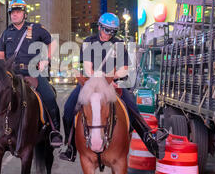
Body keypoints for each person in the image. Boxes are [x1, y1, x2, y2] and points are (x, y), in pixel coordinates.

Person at [59, 12, 160, 162]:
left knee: (131, 105)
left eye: (113, 31)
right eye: (106, 30)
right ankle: (70, 147)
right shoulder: (88, 42)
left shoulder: (119, 44)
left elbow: (124, 68)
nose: (109, 34)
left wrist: (112, 77)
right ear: (99, 27)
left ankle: (148, 137)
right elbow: (87, 68)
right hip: (91, 82)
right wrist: (102, 79)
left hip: (113, 82)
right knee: (68, 108)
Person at [0, 0, 63, 147]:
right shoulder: (5, 34)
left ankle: (55, 131)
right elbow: (0, 56)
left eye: (18, 12)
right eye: (12, 12)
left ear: (24, 14)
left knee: (48, 95)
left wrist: (46, 59)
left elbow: (52, 42)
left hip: (33, 71)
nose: (14, 15)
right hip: (12, 73)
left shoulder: (36, 28)